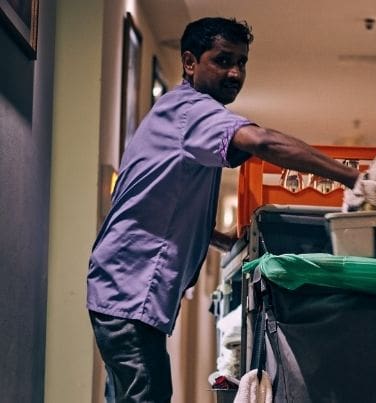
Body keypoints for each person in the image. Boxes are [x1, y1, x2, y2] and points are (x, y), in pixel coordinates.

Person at [86, 17, 360, 402]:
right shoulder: (192, 111)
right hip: (128, 293)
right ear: (189, 62)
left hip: (120, 289)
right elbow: (262, 142)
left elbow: (152, 198)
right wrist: (351, 178)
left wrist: (217, 236)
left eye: (242, 62)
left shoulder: (175, 111)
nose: (235, 72)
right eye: (222, 60)